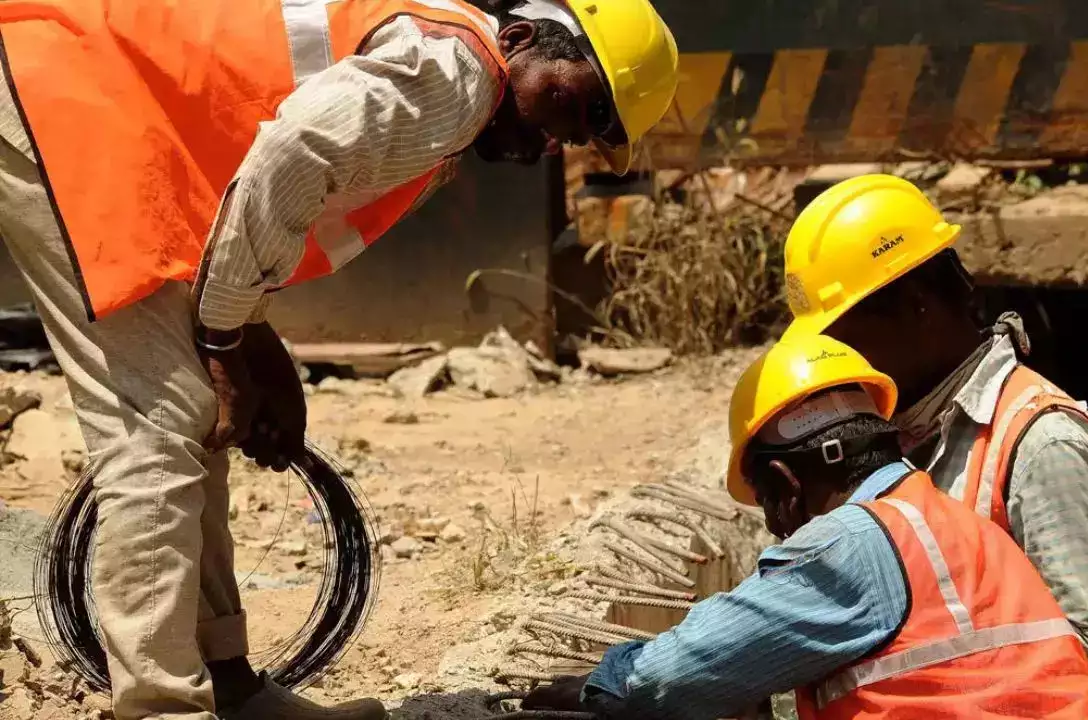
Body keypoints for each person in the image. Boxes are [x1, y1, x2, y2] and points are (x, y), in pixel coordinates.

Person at [0, 0, 677, 717]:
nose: (562, 135)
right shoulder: (455, 75)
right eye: (575, 100)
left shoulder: (448, 68)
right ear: (516, 39)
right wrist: (225, 339)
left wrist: (249, 339)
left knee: (193, 415)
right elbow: (291, 151)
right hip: (62, 99)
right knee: (160, 427)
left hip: (99, 108)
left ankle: (224, 683)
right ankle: (165, 705)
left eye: (589, 132)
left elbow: (257, 192)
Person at [525, 335, 1088, 720]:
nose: (777, 529)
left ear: (785, 483)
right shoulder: (961, 528)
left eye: (765, 501)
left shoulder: (848, 543)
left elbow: (669, 680)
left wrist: (589, 687)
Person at [779, 173, 1088, 692]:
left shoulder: (1043, 444)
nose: (836, 361)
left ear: (917, 306)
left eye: (844, 336)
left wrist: (911, 653)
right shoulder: (900, 433)